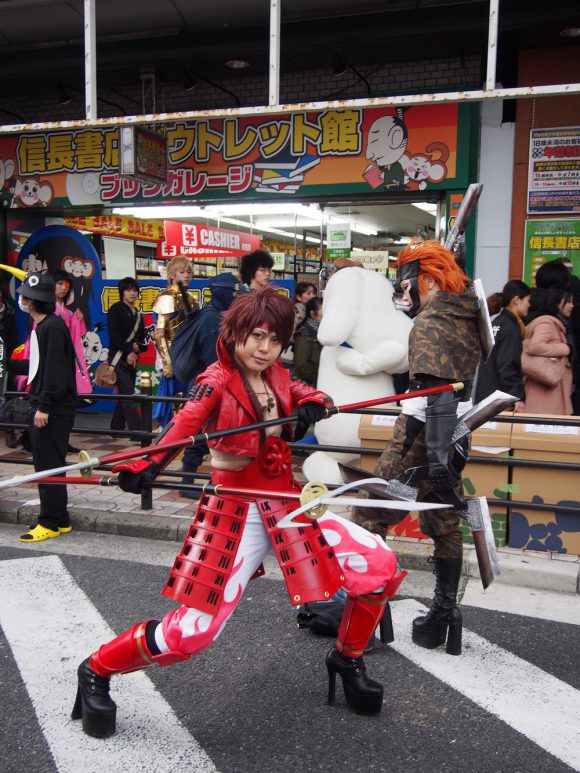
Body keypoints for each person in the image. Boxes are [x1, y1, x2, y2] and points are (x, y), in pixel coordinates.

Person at [72, 288, 404, 738]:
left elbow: (304, 389)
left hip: (286, 506)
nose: (265, 348)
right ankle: (96, 668)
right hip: (234, 513)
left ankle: (346, 658)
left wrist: (313, 402)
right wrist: (145, 463)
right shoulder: (215, 379)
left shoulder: (278, 375)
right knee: (190, 634)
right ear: (236, 334)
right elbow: (184, 422)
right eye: (257, 337)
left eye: (275, 340)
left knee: (378, 564)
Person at [352, 238, 483, 656]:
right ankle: (445, 614)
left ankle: (364, 610)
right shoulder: (467, 315)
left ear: (427, 281)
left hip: (422, 431)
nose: (402, 294)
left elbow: (436, 392)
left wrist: (437, 456)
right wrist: (446, 456)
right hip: (455, 433)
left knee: (370, 512)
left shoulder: (431, 323)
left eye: (406, 284)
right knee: (443, 521)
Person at [7, 272, 77, 542]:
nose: (22, 300)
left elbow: (55, 375)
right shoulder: (47, 325)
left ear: (31, 301)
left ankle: (48, 521)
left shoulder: (50, 328)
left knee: (47, 465)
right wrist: (10, 365)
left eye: (25, 296)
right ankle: (60, 519)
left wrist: (44, 407)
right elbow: (38, 365)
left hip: (52, 409)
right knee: (52, 464)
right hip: (53, 406)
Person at [178, 272, 240, 496]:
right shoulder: (211, 320)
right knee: (200, 434)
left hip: (209, 385)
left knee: (211, 434)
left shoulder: (215, 315)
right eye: (233, 292)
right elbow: (212, 360)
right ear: (222, 292)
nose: (236, 296)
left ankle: (207, 478)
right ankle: (186, 481)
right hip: (206, 388)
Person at [151, 257, 198, 427]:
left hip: (190, 355)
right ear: (171, 274)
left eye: (188, 272)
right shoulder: (166, 299)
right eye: (182, 272)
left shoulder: (191, 298)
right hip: (174, 355)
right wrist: (167, 362)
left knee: (189, 398)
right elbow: (159, 334)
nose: (186, 276)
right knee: (175, 399)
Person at [475, 280, 530, 412]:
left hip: (485, 396)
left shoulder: (496, 323)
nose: (529, 305)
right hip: (501, 402)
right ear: (516, 300)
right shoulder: (511, 328)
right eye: (528, 300)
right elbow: (508, 365)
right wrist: (517, 397)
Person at [523, 286, 574, 416]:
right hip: (545, 396)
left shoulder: (556, 323)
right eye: (568, 301)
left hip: (550, 393)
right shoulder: (547, 323)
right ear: (557, 303)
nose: (572, 305)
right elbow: (535, 346)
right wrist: (564, 348)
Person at [107, 277, 147, 433]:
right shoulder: (115, 309)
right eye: (128, 290)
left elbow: (143, 337)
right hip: (117, 358)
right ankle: (137, 431)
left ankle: (116, 427)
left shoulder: (138, 314)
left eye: (135, 290)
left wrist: (139, 348)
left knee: (125, 394)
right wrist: (129, 350)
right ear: (122, 292)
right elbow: (114, 335)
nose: (132, 293)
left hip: (132, 360)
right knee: (128, 393)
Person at [53, 269, 93, 398]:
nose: (63, 288)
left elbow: (77, 334)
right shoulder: (45, 307)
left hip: (65, 354)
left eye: (66, 285)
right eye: (59, 283)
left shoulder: (68, 313)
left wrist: (78, 320)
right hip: (51, 352)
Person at [293, 296, 323, 386]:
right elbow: (301, 364)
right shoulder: (305, 333)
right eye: (324, 310)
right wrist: (318, 378)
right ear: (313, 314)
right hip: (310, 384)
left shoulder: (324, 331)